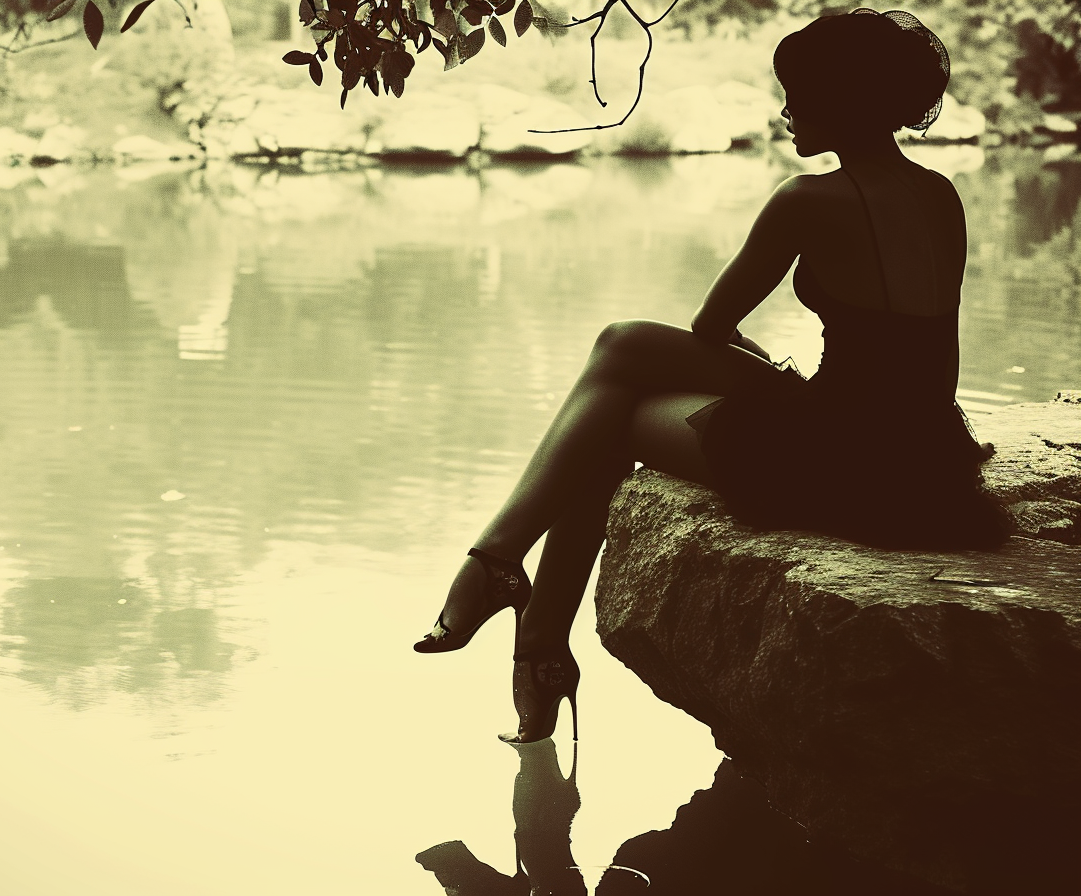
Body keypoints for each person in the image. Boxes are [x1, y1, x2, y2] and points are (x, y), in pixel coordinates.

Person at [412, 8, 1012, 744]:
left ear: (842, 102)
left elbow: (709, 328)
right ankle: (519, 610)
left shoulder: (807, 199)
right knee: (623, 351)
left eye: (799, 95)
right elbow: (919, 359)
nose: (786, 111)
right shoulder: (940, 195)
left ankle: (519, 605)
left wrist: (754, 367)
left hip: (845, 455)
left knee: (613, 397)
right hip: (924, 452)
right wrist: (771, 378)